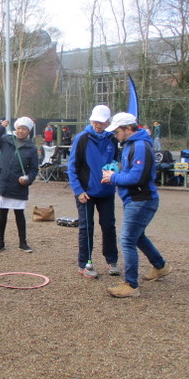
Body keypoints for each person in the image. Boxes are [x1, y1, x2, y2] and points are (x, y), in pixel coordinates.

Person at [102, 112, 171, 298]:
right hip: (138, 199)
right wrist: (116, 172)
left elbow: (136, 177)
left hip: (140, 200)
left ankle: (131, 285)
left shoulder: (139, 146)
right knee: (137, 237)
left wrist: (113, 177)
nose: (115, 135)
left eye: (117, 131)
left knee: (127, 240)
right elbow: (132, 172)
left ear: (128, 129)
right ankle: (160, 266)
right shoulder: (132, 145)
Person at [67, 104, 120, 278]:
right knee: (86, 227)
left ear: (107, 122)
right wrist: (78, 191)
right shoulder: (82, 139)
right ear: (91, 120)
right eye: (96, 121)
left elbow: (116, 162)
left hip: (106, 191)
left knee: (108, 226)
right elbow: (72, 167)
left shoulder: (112, 139)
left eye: (102, 122)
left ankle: (112, 261)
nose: (98, 125)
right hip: (86, 192)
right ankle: (85, 263)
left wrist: (115, 170)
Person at [0, 117, 39, 253]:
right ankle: (0, 241)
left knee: (19, 214)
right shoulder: (6, 139)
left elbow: (34, 169)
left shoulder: (32, 148)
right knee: (2, 213)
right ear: (16, 128)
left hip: (18, 185)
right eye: (19, 128)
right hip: (3, 182)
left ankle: (23, 242)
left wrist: (28, 178)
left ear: (29, 131)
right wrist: (0, 127)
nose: (21, 131)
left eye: (24, 129)